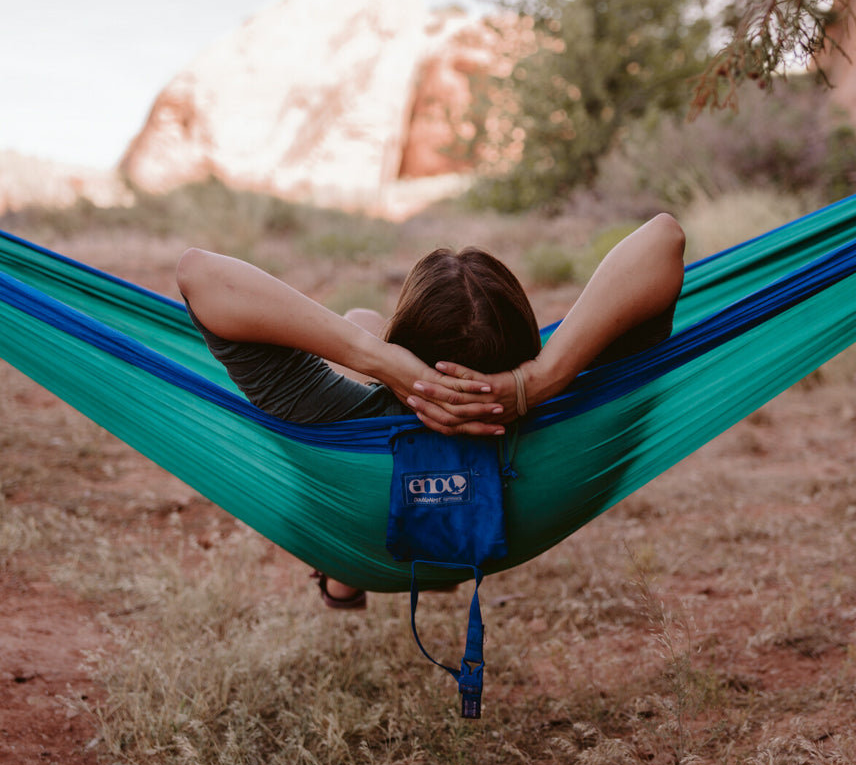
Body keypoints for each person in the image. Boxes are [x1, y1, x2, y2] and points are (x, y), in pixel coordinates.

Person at [176, 213, 685, 607]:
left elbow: (199, 273)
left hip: (363, 534)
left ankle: (344, 574)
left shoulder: (329, 419)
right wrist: (541, 379)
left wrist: (378, 359)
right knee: (362, 319)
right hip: (514, 515)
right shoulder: (581, 413)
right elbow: (663, 238)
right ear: (525, 337)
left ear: (404, 342)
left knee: (358, 320)